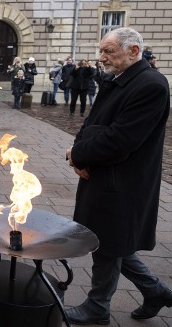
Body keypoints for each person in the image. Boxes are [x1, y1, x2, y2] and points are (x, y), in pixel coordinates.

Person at [65, 27, 172, 325]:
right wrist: (78, 151)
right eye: (101, 51)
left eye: (108, 51)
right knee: (111, 243)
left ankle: (97, 307)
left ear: (134, 51)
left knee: (107, 244)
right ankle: (156, 292)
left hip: (124, 183)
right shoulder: (118, 79)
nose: (101, 57)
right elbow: (93, 123)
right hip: (104, 175)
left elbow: (120, 139)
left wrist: (80, 154)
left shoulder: (151, 85)